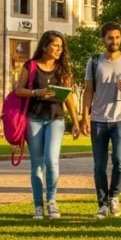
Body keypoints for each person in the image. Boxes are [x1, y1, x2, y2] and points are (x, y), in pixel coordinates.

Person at [14, 31, 82, 220]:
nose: (59, 50)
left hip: (56, 119)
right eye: (55, 46)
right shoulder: (31, 65)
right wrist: (37, 92)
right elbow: (18, 90)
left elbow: (69, 97)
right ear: (45, 46)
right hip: (34, 118)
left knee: (52, 161)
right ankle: (38, 206)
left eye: (61, 47)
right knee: (37, 164)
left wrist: (75, 121)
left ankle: (52, 202)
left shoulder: (63, 69)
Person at [80, 21, 121, 219]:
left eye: (117, 37)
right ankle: (102, 204)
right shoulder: (94, 61)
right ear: (103, 40)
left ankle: (114, 196)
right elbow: (88, 91)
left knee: (119, 161)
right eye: (110, 38)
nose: (114, 41)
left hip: (120, 119)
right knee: (99, 165)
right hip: (98, 118)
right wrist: (84, 117)